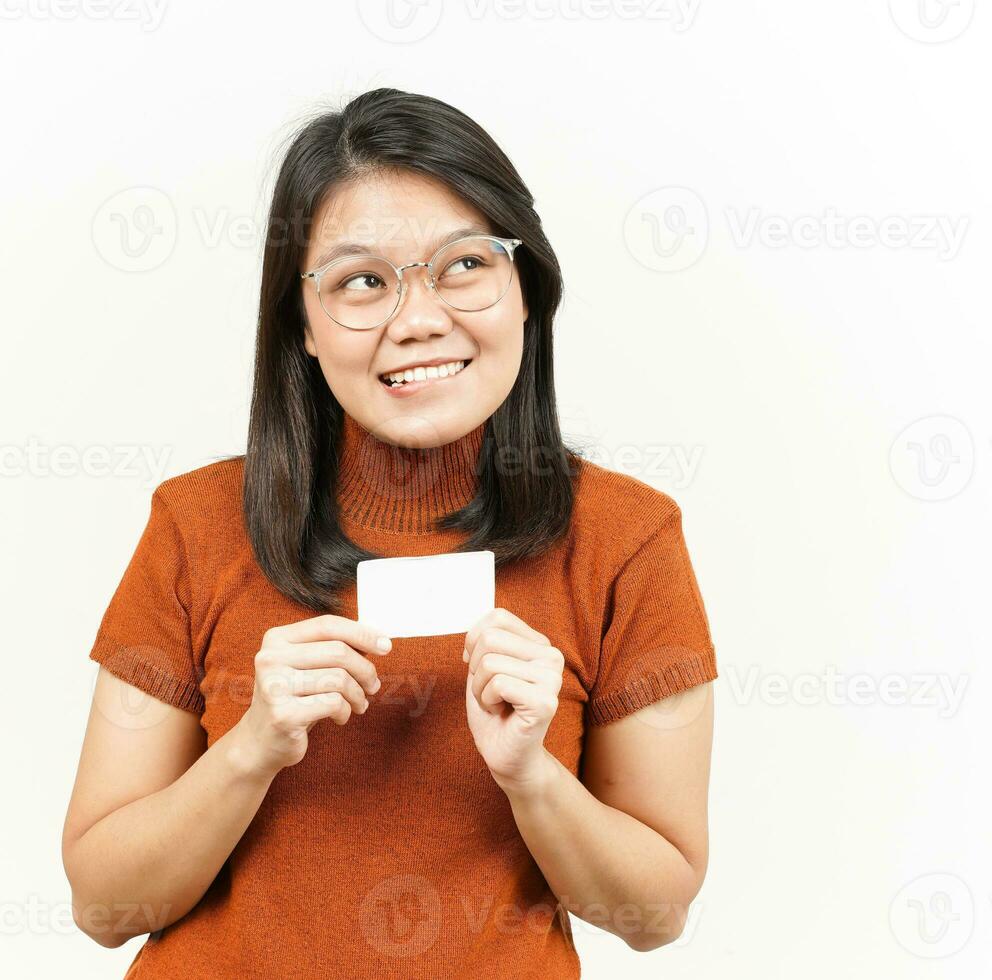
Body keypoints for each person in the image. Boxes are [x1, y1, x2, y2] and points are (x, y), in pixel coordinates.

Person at [61, 87, 718, 978]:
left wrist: (534, 777)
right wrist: (251, 749)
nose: (417, 320)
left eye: (462, 265)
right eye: (361, 281)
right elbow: (102, 906)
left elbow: (655, 914)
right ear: (301, 324)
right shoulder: (196, 524)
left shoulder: (626, 538)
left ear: (524, 287)